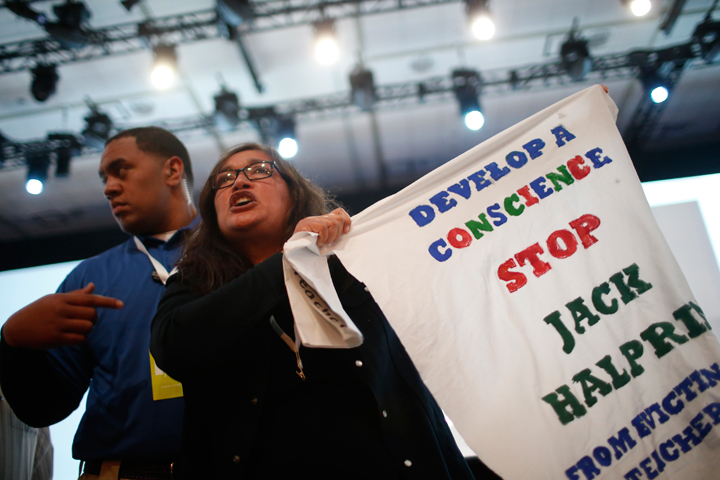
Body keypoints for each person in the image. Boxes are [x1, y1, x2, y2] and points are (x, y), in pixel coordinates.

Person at [150, 143, 498, 479]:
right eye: (223, 180)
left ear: (295, 195)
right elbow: (173, 349)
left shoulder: (354, 265)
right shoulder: (193, 279)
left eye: (259, 170)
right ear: (213, 210)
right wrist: (287, 262)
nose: (238, 182)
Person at [0, 126, 198, 480]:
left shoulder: (237, 254)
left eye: (121, 171)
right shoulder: (88, 280)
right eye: (104, 178)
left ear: (172, 170)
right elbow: (45, 409)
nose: (108, 187)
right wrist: (14, 343)